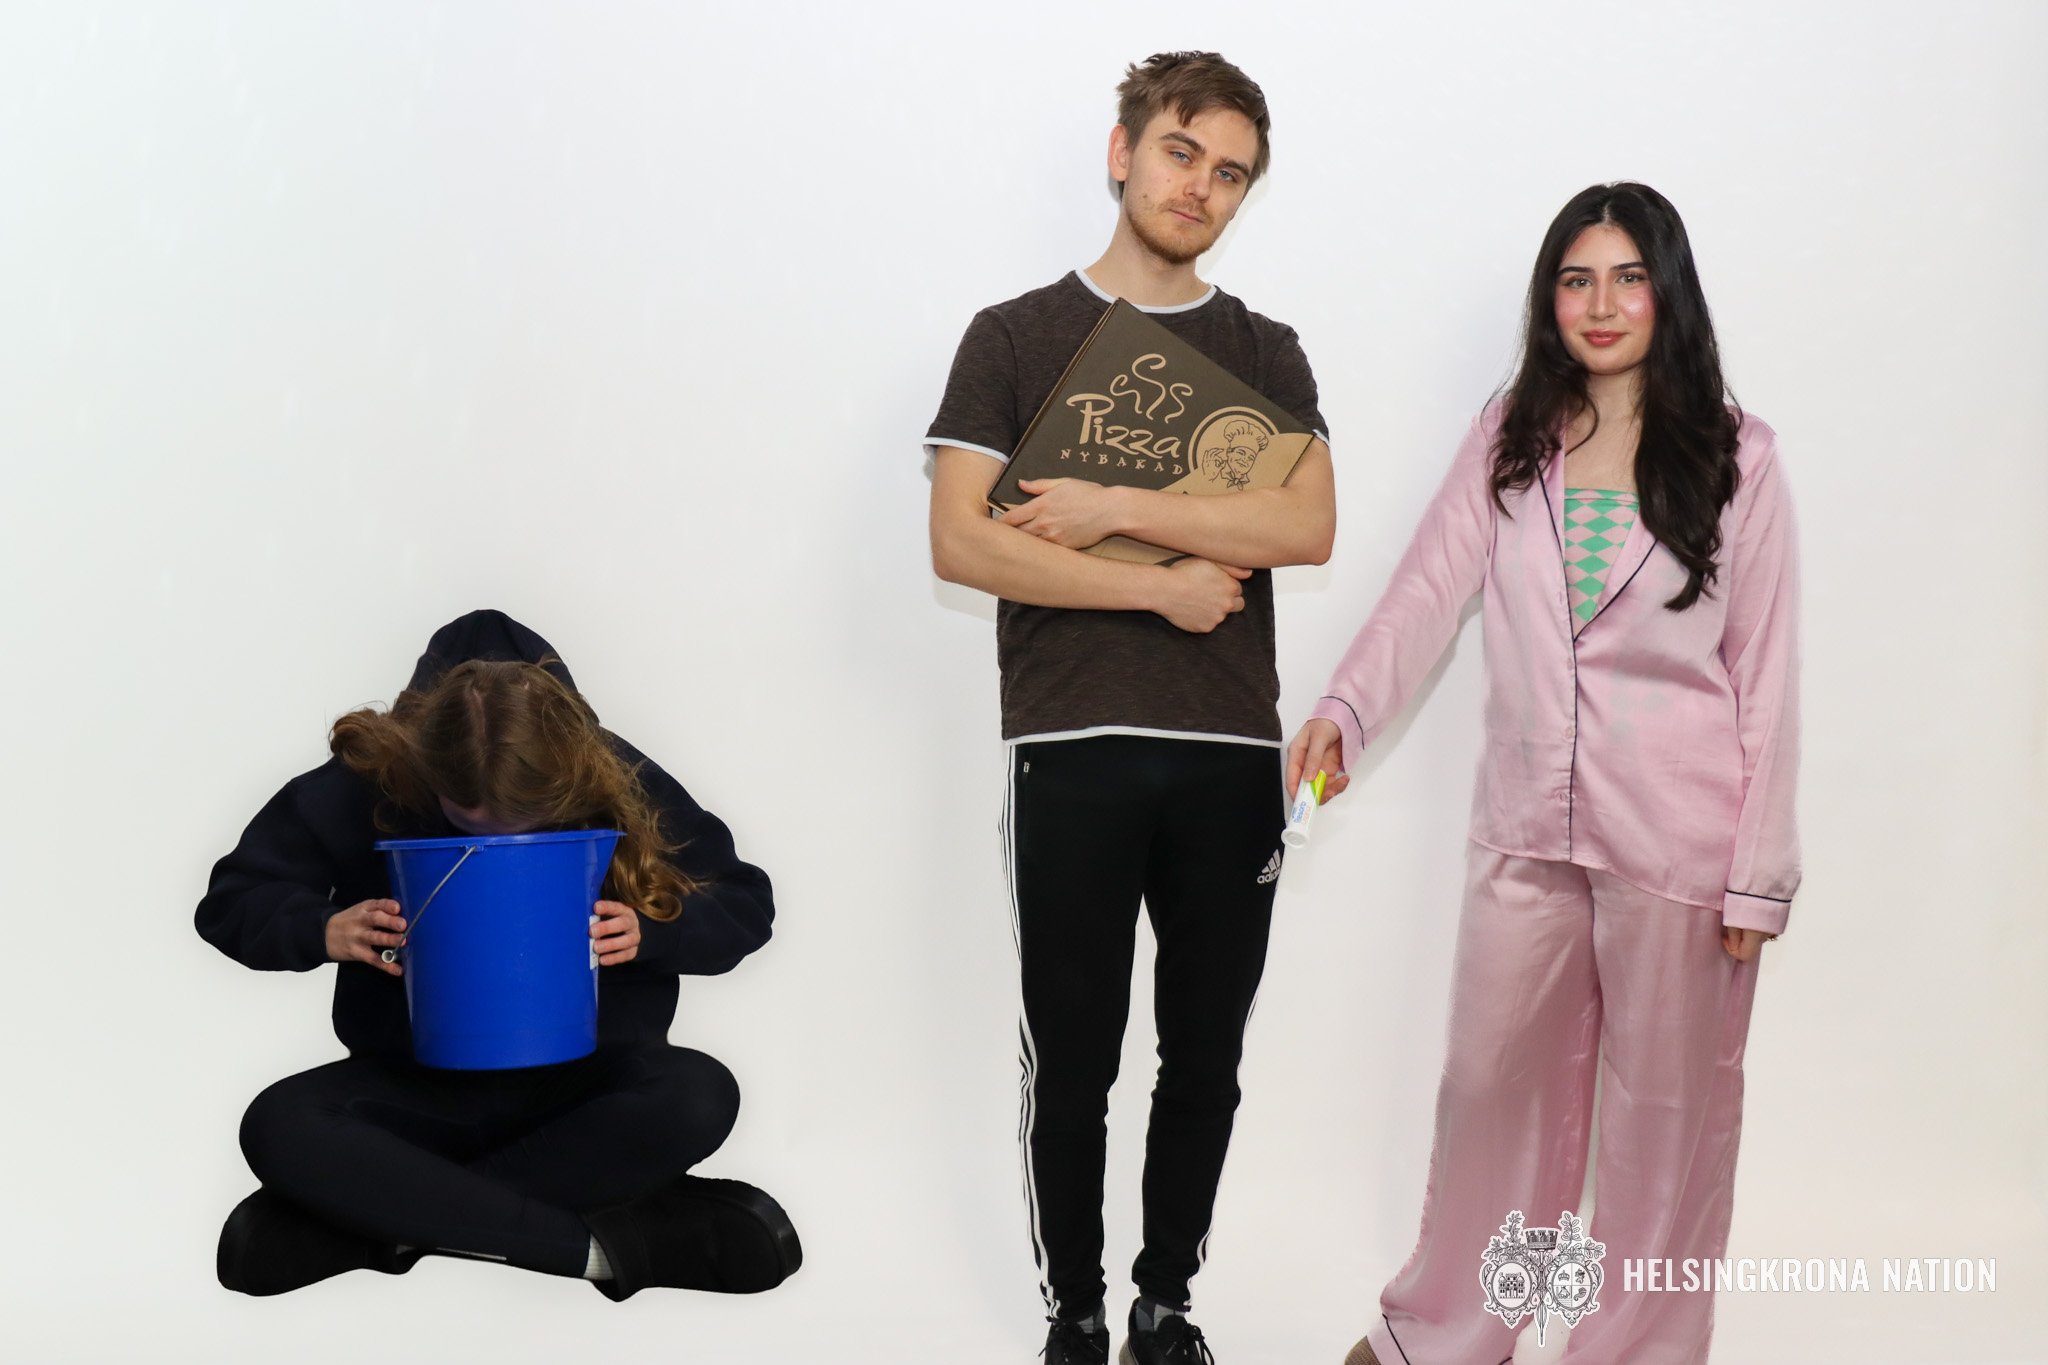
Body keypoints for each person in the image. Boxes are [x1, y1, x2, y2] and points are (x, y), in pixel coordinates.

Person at [1288, 184, 1798, 1365]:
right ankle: (1446, 1331)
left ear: (1666, 293)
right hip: (1525, 825)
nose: (1600, 304)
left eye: (1626, 278)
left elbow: (1766, 672)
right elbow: (1428, 587)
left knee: (1662, 1123)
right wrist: (1344, 709)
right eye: (1576, 279)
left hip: (1680, 845)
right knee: (1489, 1086)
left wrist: (1757, 876)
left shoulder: (1740, 457)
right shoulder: (1508, 436)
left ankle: (1633, 1350)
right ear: (1548, 298)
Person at [926, 51, 1334, 1365]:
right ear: (1122, 151)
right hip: (1072, 745)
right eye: (1180, 151)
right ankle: (1077, 1315)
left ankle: (1166, 1307)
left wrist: (1112, 507)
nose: (1200, 186)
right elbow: (963, 542)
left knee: (1204, 1057)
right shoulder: (1013, 336)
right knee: (1076, 1057)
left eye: (1231, 174)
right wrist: (1159, 588)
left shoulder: (1263, 350)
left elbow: (1306, 525)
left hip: (1230, 754)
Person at [197, 609, 800, 1301]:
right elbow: (231, 901)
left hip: (583, 1091)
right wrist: (321, 927)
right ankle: (603, 1249)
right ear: (426, 768)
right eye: (466, 814)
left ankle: (375, 1226)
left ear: (567, 778)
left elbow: (744, 903)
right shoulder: (360, 778)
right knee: (278, 1124)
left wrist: (657, 932)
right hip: (414, 1086)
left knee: (698, 1093)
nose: (493, 832)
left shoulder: (618, 771)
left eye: (523, 820)